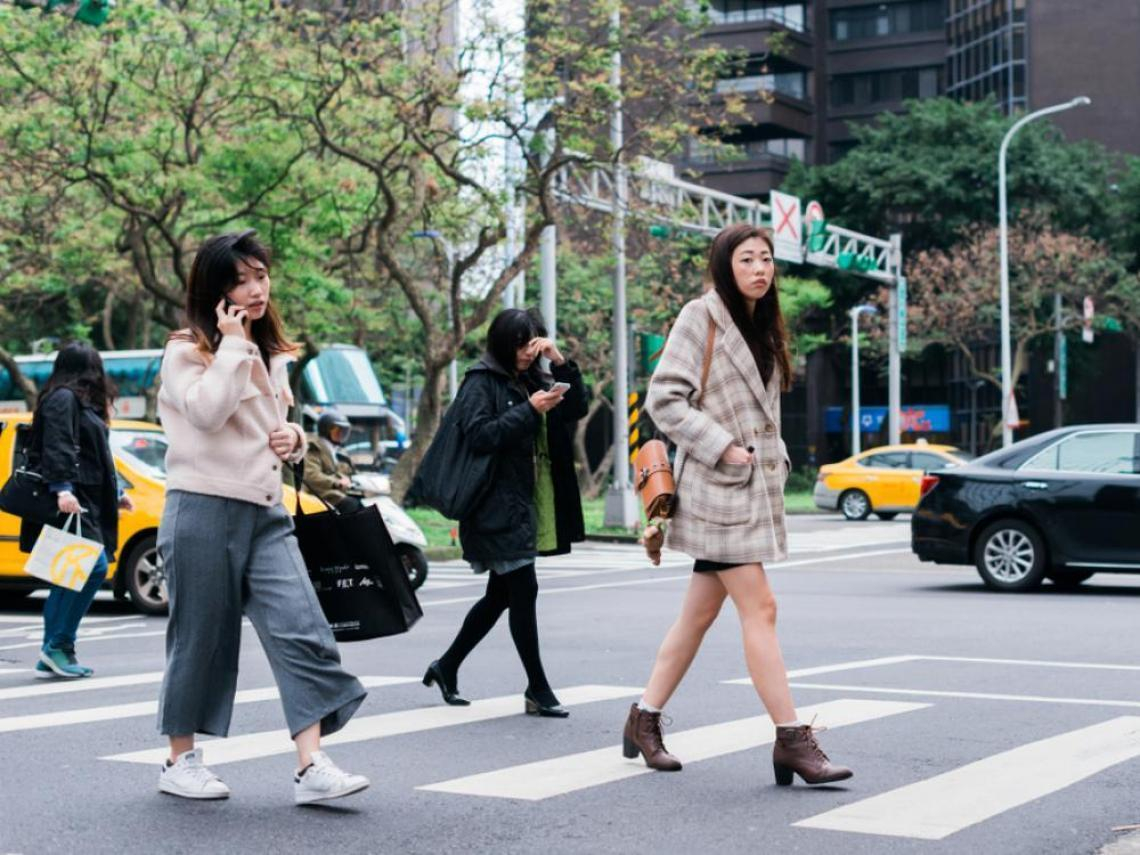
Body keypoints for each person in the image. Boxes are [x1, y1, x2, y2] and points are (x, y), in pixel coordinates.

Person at [623, 224, 853, 786]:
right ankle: (792, 739)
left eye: (767, 259)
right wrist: (721, 444)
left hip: (747, 487)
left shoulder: (762, 326)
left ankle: (643, 719)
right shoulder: (699, 316)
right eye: (747, 259)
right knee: (762, 608)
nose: (760, 268)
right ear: (725, 266)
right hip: (714, 488)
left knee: (698, 616)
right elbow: (664, 397)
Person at [154, 230, 369, 804]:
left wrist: (295, 438)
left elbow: (275, 434)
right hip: (201, 507)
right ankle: (180, 760)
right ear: (216, 289)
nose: (255, 290)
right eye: (241, 280)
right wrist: (228, 345)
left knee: (303, 629)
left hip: (267, 512)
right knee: (200, 639)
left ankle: (311, 765)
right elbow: (204, 413)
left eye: (261, 276)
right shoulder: (186, 350)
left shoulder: (275, 354)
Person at [423, 308, 587, 717]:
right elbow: (479, 436)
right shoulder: (482, 382)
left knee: (501, 595)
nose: (527, 353)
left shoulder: (532, 377)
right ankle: (538, 687)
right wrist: (529, 410)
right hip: (492, 506)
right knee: (523, 591)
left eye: (532, 344)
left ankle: (446, 666)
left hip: (521, 504)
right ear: (501, 343)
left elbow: (576, 409)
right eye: (519, 344)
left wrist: (561, 361)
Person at [19, 342, 131, 679]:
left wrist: (117, 491)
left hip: (85, 498)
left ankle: (55, 650)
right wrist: (62, 489)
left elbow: (94, 454)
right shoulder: (63, 399)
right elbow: (58, 446)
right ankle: (58, 645)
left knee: (67, 573)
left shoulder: (75, 401)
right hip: (71, 499)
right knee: (90, 567)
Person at [302, 409, 362, 513]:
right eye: (337, 430)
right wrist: (336, 483)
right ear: (326, 429)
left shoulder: (339, 451)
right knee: (352, 505)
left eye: (343, 431)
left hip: (337, 493)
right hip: (320, 495)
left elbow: (350, 472)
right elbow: (311, 476)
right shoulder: (313, 447)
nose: (341, 434)